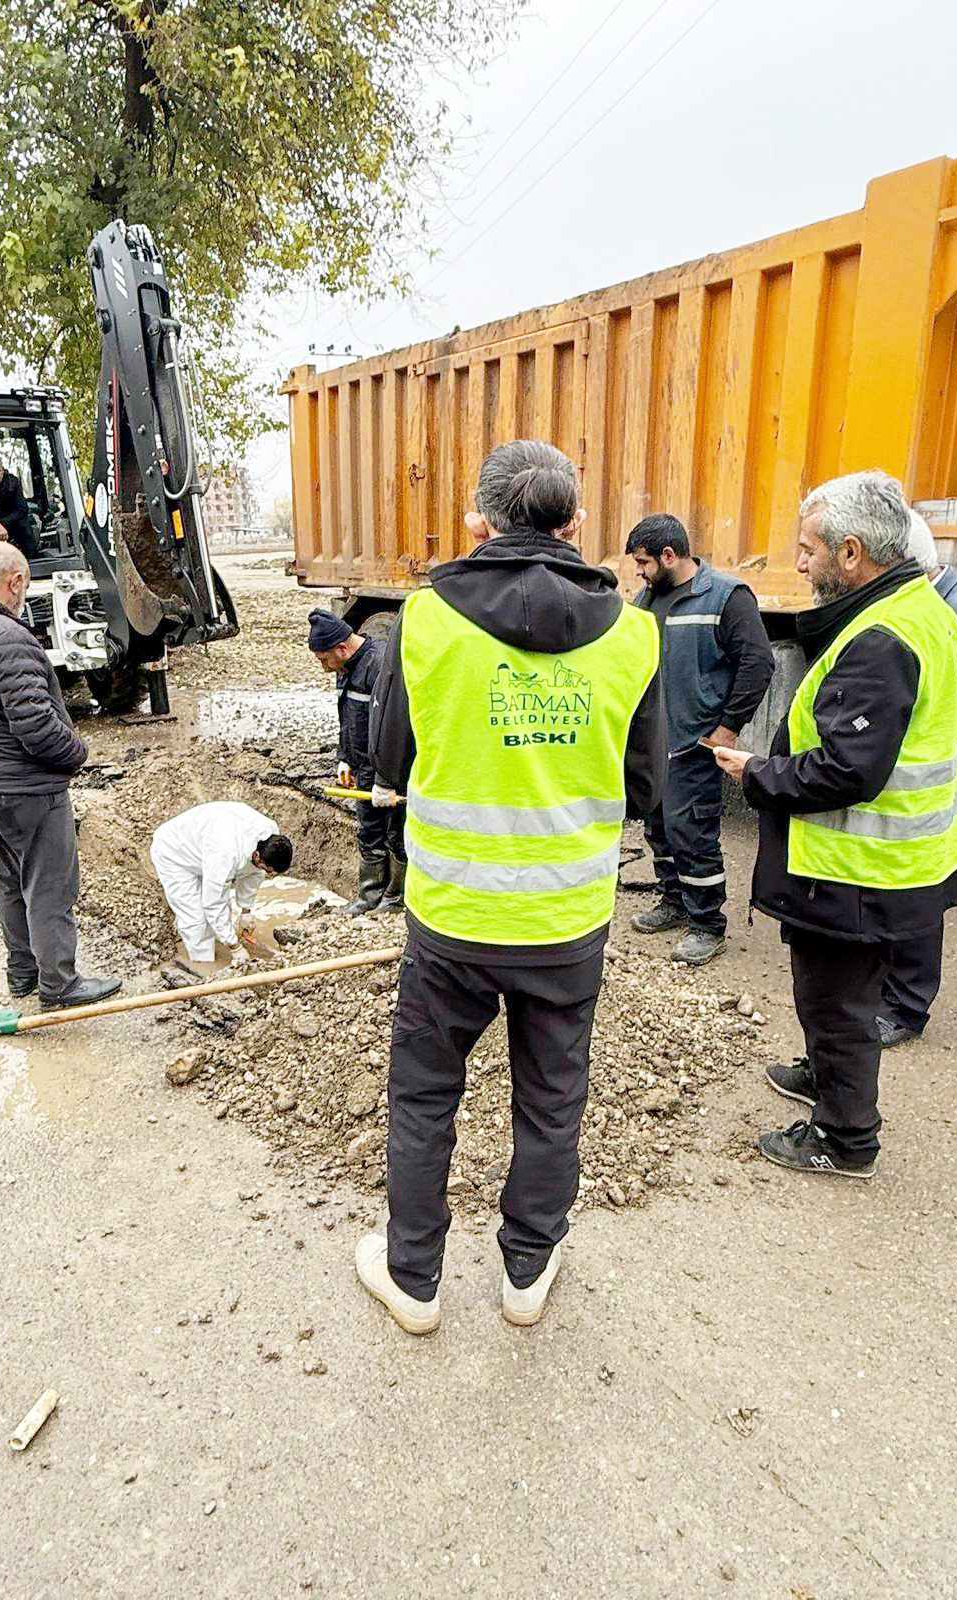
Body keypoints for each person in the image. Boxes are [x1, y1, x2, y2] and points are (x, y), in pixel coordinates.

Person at [357, 439, 665, 1335]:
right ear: (575, 525)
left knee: (423, 1096)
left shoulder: (422, 622)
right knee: (552, 1096)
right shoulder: (635, 632)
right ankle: (527, 1271)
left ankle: (413, 1279)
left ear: (479, 520)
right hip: (567, 922)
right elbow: (646, 789)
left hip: (451, 920)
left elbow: (389, 762)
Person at [716, 472, 957, 1178]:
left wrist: (755, 776)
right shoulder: (921, 607)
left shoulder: (881, 637)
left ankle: (844, 1137)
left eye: (807, 549)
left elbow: (846, 770)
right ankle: (828, 1073)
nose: (798, 563)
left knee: (836, 1001)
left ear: (853, 553)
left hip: (858, 869)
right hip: (895, 862)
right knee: (843, 998)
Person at [0, 541, 121, 1008]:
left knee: (13, 878)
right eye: (25, 585)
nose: (24, 593)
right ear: (15, 581)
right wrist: (76, 753)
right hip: (29, 788)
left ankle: (23, 973)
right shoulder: (8, 636)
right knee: (51, 885)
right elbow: (35, 724)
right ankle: (59, 985)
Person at [626, 513, 774, 966]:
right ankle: (673, 902)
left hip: (695, 746)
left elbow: (757, 664)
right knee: (659, 830)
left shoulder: (726, 597)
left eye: (644, 562)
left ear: (670, 556)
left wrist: (724, 731)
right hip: (655, 744)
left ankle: (707, 925)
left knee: (693, 835)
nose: (639, 572)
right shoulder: (645, 600)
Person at [873, 510, 957, 1046]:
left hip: (938, 786)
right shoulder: (940, 606)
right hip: (923, 784)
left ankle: (908, 1007)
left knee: (920, 901)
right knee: (906, 896)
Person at [308, 609, 407, 915]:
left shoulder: (379, 665)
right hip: (363, 766)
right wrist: (344, 758)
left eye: (325, 660)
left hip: (388, 768)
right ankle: (368, 895)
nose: (324, 668)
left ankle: (394, 897)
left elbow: (395, 725)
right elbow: (347, 717)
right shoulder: (345, 668)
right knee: (368, 830)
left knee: (395, 832)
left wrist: (387, 780)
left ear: (341, 648)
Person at [150, 802, 293, 969]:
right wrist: (235, 947)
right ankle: (203, 964)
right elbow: (213, 903)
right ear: (257, 856)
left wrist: (246, 912)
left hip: (203, 846)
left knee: (218, 910)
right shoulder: (226, 853)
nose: (267, 874)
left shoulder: (268, 838)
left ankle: (219, 938)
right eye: (266, 869)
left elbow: (253, 874)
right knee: (196, 917)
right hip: (173, 853)